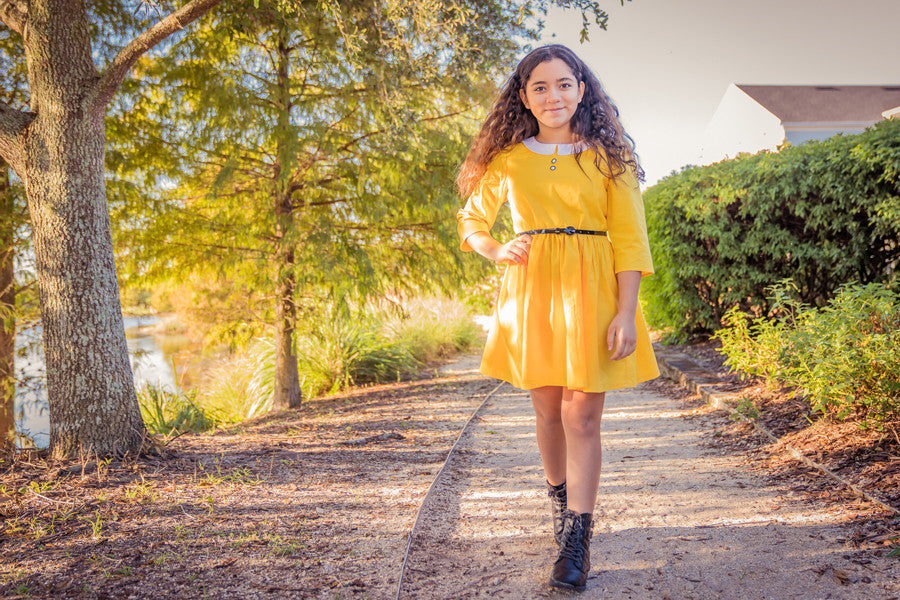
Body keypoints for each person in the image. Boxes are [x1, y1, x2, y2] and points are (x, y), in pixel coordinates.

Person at [455, 44, 659, 591]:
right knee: (547, 411)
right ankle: (560, 504)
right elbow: (473, 220)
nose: (554, 96)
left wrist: (626, 311)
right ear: (524, 97)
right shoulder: (508, 159)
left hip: (593, 287)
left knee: (582, 418)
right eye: (541, 87)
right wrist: (496, 249)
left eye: (564, 84)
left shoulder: (608, 158)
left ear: (582, 89)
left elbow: (630, 240)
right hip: (533, 289)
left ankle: (578, 540)